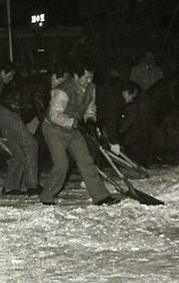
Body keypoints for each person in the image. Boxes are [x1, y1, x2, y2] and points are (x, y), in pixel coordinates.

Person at [39, 61, 119, 206]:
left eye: (91, 78)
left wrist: (90, 120)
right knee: (62, 164)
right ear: (76, 76)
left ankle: (100, 196)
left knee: (86, 159)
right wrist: (74, 122)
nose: (89, 81)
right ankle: (47, 195)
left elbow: (90, 107)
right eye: (86, 78)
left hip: (73, 129)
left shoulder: (91, 88)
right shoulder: (63, 90)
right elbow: (54, 115)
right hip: (54, 130)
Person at [0, 75, 40, 195]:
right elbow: (40, 108)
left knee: (19, 152)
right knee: (31, 145)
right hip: (11, 113)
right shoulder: (41, 87)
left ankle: (10, 186)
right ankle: (32, 185)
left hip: (1, 113)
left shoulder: (28, 83)